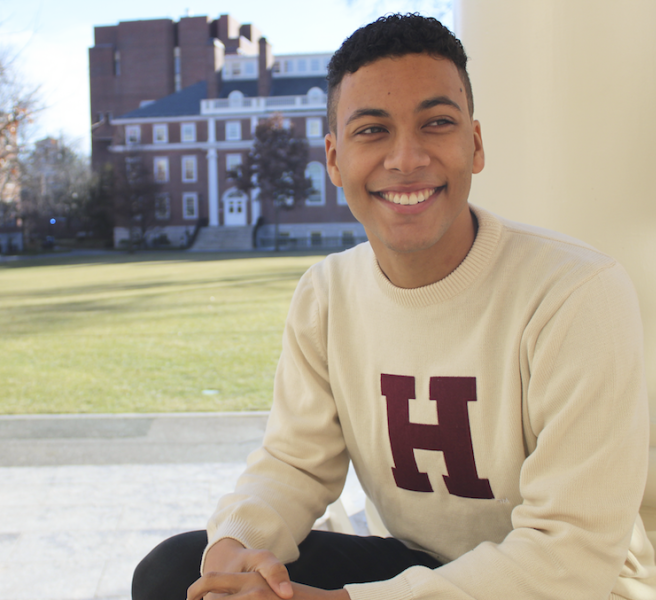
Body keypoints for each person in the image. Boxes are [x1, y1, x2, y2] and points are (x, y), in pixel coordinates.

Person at [133, 14, 656, 600]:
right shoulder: (327, 294)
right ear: (333, 159)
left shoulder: (575, 293)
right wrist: (235, 551)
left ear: (475, 145)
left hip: (573, 584)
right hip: (419, 565)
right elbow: (295, 464)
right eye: (372, 131)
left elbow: (571, 555)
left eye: (436, 123)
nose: (406, 158)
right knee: (176, 574)